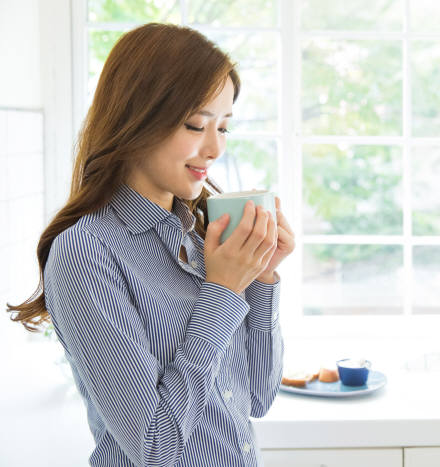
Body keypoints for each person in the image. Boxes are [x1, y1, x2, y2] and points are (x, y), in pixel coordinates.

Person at [6, 22, 294, 466]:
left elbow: (256, 396)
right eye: (196, 124)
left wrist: (261, 277)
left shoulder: (200, 237)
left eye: (224, 128)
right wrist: (224, 293)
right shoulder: (85, 253)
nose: (215, 148)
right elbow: (156, 449)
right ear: (137, 120)